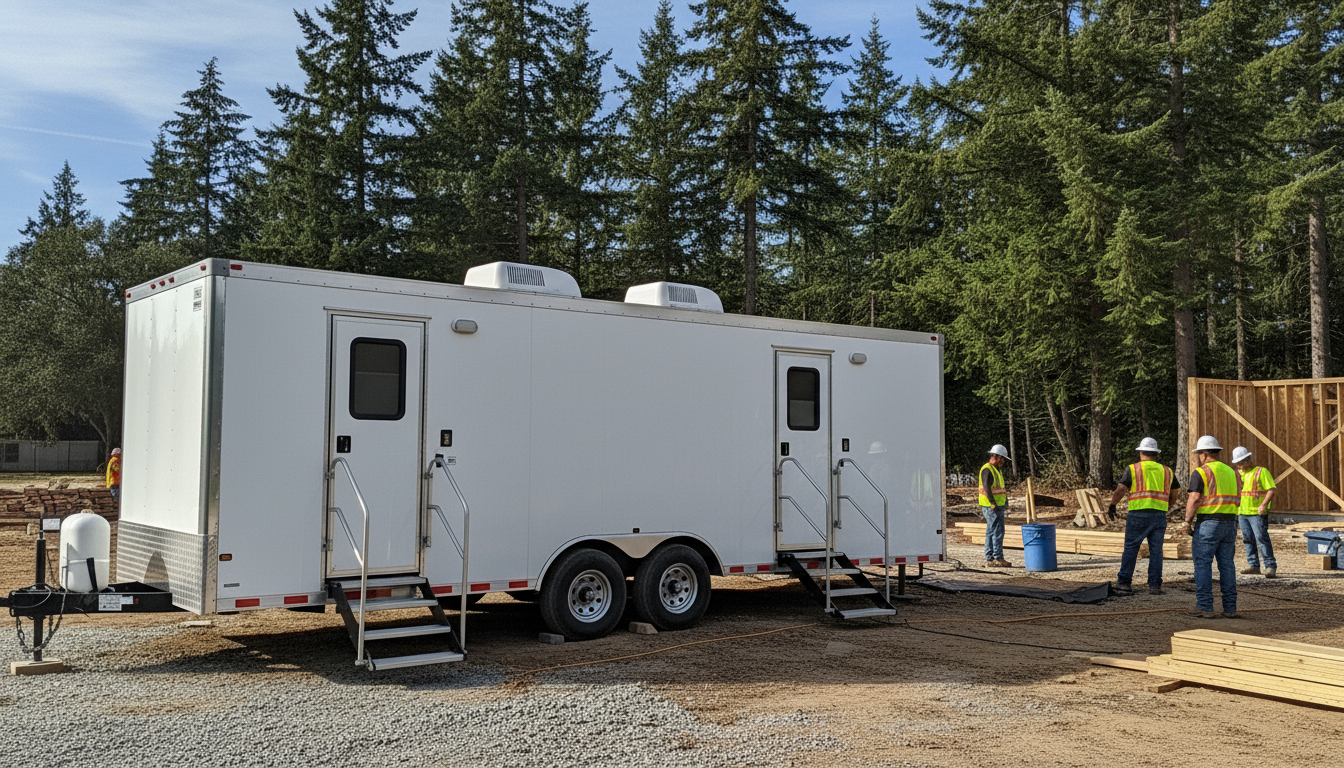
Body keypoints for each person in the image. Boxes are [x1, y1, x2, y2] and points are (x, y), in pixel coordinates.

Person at [1108, 437, 1179, 595]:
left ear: (1140, 453)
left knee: (1131, 549)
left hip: (1138, 514)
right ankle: (1155, 585)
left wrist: (1113, 505)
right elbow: (1176, 492)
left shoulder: (1133, 469)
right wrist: (1168, 505)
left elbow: (1121, 489)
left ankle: (1124, 583)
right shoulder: (1167, 470)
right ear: (1156, 454)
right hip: (1159, 515)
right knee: (1156, 551)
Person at [1182, 436, 1239, 619]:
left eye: (1199, 454)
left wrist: (1187, 521)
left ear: (1205, 454)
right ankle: (1230, 608)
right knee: (1227, 565)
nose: (1199, 457)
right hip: (1230, 522)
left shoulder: (1201, 472)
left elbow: (1194, 498)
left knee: (1203, 564)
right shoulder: (1232, 472)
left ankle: (1205, 606)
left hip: (1208, 523)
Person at [1232, 446, 1277, 578]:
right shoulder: (1237, 474)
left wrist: (1263, 505)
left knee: (1261, 539)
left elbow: (1271, 490)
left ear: (1248, 460)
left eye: (1241, 463)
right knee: (1248, 540)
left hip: (1257, 513)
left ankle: (1270, 566)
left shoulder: (1261, 472)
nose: (1239, 466)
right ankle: (1254, 565)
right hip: (1242, 512)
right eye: (1237, 463)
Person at [978, 444, 1012, 567]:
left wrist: (1004, 500)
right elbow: (987, 487)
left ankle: (991, 556)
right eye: (1002, 458)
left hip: (997, 505)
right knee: (996, 531)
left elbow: (1000, 488)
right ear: (995, 457)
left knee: (993, 530)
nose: (1003, 461)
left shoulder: (996, 469)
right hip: (991, 506)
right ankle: (996, 557)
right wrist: (993, 503)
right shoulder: (987, 469)